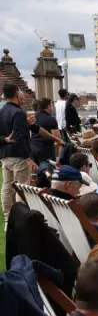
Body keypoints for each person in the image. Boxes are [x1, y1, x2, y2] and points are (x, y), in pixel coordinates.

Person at [0, 83, 36, 223]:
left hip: (5, 155)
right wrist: (28, 158)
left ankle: (8, 218)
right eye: (20, 93)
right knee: (22, 188)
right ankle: (21, 220)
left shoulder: (2, 110)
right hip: (19, 156)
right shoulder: (19, 112)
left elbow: (12, 132)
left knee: (7, 188)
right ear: (16, 94)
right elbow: (20, 137)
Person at [30, 97, 62, 166]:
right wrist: (56, 152)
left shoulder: (33, 117)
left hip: (33, 149)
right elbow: (57, 137)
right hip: (46, 151)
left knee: (36, 173)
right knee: (49, 173)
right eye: (51, 106)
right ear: (48, 106)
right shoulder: (50, 119)